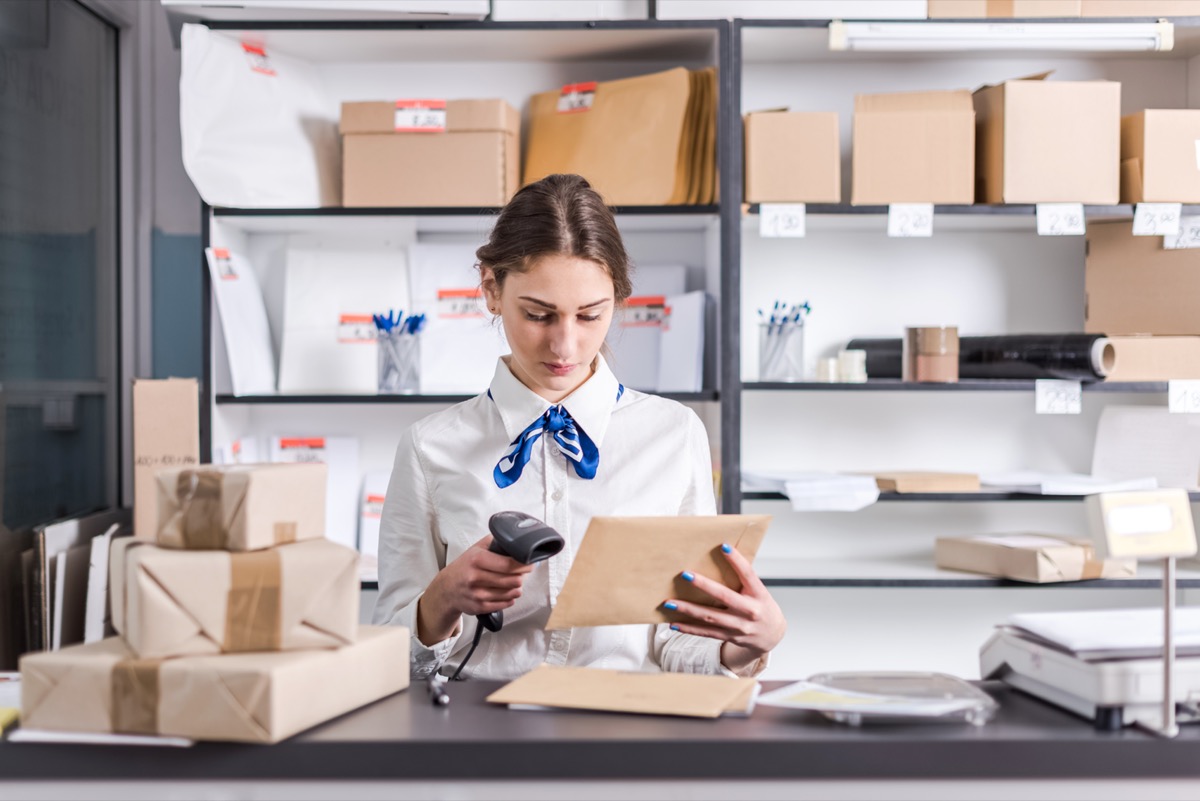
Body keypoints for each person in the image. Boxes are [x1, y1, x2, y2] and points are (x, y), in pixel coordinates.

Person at [373, 173, 786, 681]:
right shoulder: (428, 446)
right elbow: (388, 656)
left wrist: (743, 646)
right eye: (539, 315)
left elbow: (679, 642)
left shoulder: (674, 434)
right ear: (490, 290)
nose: (564, 346)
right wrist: (439, 602)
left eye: (590, 315)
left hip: (622, 730)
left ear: (617, 297)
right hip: (477, 732)